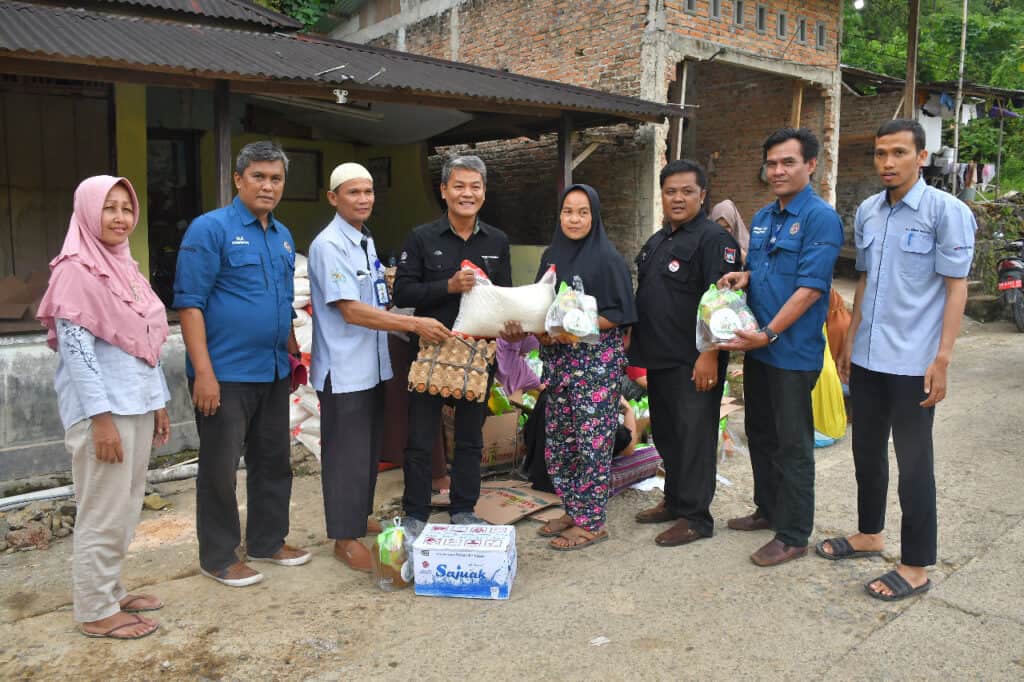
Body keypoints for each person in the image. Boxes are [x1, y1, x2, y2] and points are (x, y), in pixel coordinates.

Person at [819, 119, 975, 601]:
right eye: (881, 153)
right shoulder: (869, 211)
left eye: (900, 153)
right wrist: (848, 344)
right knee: (865, 450)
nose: (888, 163)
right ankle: (870, 534)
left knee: (913, 463)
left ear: (921, 157)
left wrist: (943, 359)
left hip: (914, 362)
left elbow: (955, 288)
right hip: (868, 357)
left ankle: (914, 566)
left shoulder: (945, 212)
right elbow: (863, 282)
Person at [37, 175, 170, 639]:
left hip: (133, 404)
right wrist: (101, 421)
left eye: (125, 208)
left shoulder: (123, 266)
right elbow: (78, 355)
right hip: (104, 413)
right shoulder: (74, 271)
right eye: (108, 208)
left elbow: (145, 341)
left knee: (127, 505)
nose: (119, 217)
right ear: (88, 212)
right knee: (103, 508)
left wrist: (158, 402)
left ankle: (109, 589)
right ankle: (95, 609)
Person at [174, 141, 311, 587]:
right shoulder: (209, 229)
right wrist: (204, 374)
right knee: (219, 468)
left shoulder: (284, 235)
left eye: (275, 178)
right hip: (225, 374)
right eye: (258, 176)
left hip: (272, 370)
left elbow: (283, 300)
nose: (267, 186)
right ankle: (217, 556)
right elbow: (190, 305)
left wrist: (293, 354)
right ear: (239, 179)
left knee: (273, 460)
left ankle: (267, 542)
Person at [307, 163, 450, 572]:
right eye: (353, 192)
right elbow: (351, 311)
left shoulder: (364, 240)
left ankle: (355, 515)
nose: (363, 199)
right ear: (333, 198)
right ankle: (343, 536)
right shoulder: (329, 244)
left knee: (367, 450)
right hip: (344, 367)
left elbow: (376, 299)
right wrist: (412, 323)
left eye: (368, 192)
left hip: (372, 365)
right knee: (345, 454)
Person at [718, 128, 843, 567]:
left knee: (793, 444)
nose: (777, 170)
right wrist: (744, 278)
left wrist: (769, 333)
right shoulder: (765, 216)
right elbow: (763, 267)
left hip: (789, 351)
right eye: (771, 162)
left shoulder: (820, 218)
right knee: (761, 434)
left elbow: (810, 289)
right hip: (760, 349)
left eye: (787, 162)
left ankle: (793, 534)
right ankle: (768, 510)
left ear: (811, 165)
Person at [392, 155, 512, 542]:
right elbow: (403, 292)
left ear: (484, 193)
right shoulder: (421, 237)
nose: (467, 194)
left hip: (477, 355)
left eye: (475, 186)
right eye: (459, 186)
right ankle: (415, 512)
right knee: (420, 436)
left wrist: (510, 323)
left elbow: (503, 296)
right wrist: (448, 286)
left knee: (470, 438)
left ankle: (463, 509)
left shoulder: (497, 240)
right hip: (432, 352)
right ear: (443, 191)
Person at [630, 160, 741, 547]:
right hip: (659, 357)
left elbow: (722, 304)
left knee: (694, 436)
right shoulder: (659, 240)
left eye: (686, 191)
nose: (677, 198)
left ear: (702, 195)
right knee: (667, 433)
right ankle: (675, 500)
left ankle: (696, 517)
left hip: (695, 360)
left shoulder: (714, 240)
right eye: (670, 191)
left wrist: (709, 354)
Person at [520, 183, 637, 550]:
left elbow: (622, 314)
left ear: (594, 216)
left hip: (595, 367)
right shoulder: (551, 257)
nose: (574, 219)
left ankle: (592, 522)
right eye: (568, 211)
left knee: (592, 442)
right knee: (562, 441)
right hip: (559, 363)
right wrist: (542, 331)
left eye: (582, 212)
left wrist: (576, 325)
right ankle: (574, 508)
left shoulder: (607, 258)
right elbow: (542, 305)